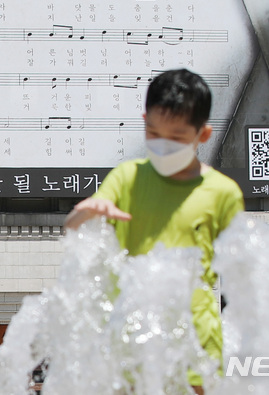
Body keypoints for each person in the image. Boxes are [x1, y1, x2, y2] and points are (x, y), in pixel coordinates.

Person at [64, 68, 244, 395]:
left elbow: (240, 275)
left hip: (196, 342)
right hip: (131, 340)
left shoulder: (223, 193)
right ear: (144, 121)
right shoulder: (127, 177)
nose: (163, 146)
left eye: (176, 137)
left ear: (203, 134)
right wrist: (85, 212)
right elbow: (72, 226)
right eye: (153, 132)